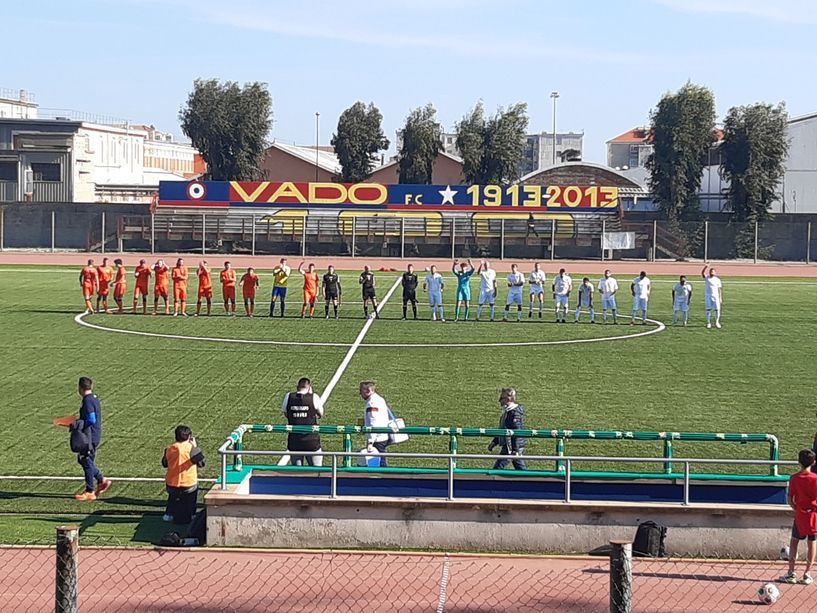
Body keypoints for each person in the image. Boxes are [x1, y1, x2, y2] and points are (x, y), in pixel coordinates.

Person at [70, 377, 111, 501]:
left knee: (86, 461)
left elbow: (91, 419)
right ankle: (101, 480)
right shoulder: (94, 398)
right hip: (93, 435)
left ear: (80, 388)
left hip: (90, 436)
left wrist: (78, 425)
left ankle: (90, 491)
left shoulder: (87, 401)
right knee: (85, 461)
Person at [780, 449, 817, 585]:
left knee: (794, 541)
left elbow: (790, 499)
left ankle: (791, 572)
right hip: (814, 514)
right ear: (813, 462)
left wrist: (797, 509)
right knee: (812, 543)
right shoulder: (815, 479)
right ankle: (807, 573)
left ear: (799, 462)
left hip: (801, 514)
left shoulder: (794, 478)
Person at [161, 425, 205, 525]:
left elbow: (164, 463)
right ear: (189, 437)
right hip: (188, 484)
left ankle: (169, 514)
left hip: (172, 484)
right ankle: (192, 514)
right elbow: (201, 463)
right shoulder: (191, 449)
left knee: (172, 496)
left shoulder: (169, 449)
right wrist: (195, 447)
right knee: (191, 497)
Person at [282, 377, 325, 467]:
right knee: (317, 471)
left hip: (294, 440)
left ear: (297, 387)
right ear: (309, 387)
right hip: (311, 441)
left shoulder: (288, 396)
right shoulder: (314, 397)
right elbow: (321, 414)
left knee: (297, 471)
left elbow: (286, 413)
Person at [488, 387, 527, 471]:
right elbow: (503, 429)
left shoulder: (514, 412)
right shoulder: (508, 411)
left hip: (512, 446)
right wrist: (494, 442)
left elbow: (516, 431)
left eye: (502, 398)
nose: (499, 400)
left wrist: (515, 449)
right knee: (520, 468)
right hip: (511, 445)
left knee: (498, 468)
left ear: (509, 399)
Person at [360, 381, 393, 467]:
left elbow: (374, 422)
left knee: (379, 464)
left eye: (361, 391)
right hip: (382, 435)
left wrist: (370, 441)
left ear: (368, 390)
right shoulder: (379, 399)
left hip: (377, 438)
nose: (360, 394)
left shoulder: (372, 403)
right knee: (380, 460)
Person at [701, 264, 723, 329]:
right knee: (708, 309)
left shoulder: (717, 280)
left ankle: (717, 322)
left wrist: (720, 297)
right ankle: (708, 323)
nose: (712, 272)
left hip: (716, 296)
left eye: (713, 271)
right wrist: (706, 267)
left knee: (717, 309)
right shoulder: (707, 278)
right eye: (711, 271)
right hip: (708, 296)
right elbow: (702, 273)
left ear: (715, 273)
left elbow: (719, 289)